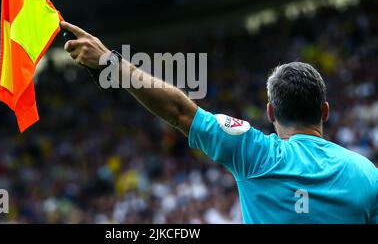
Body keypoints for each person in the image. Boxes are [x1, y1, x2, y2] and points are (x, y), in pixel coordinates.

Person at [61, 21, 377, 224]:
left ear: (270, 113)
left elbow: (179, 111)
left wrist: (109, 63)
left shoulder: (256, 155)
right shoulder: (367, 174)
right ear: (325, 111)